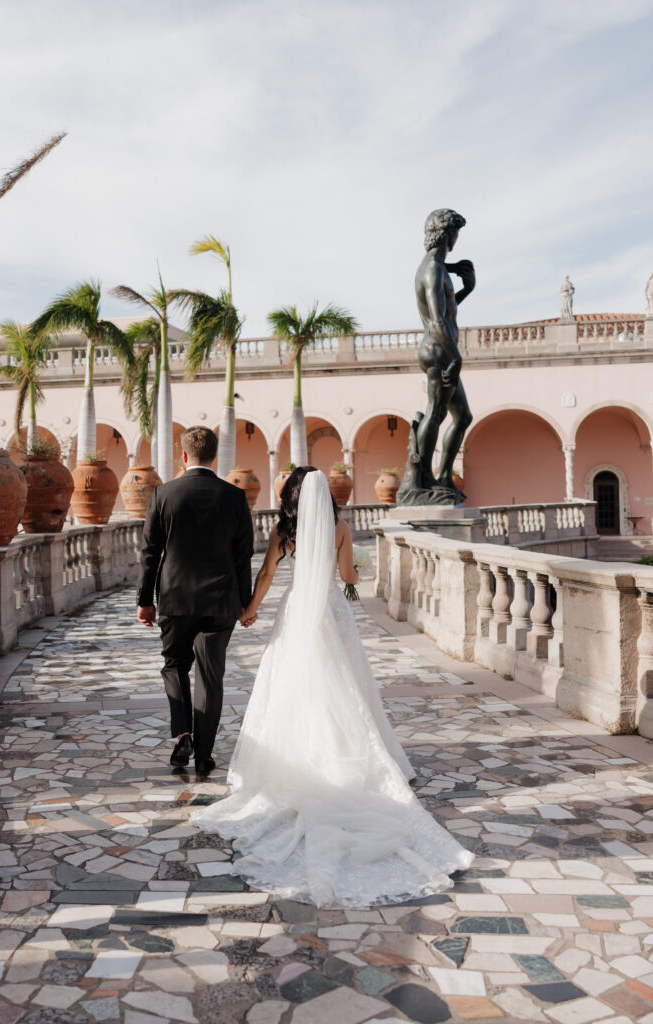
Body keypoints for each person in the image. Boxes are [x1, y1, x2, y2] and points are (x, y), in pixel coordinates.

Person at [192, 467, 473, 906]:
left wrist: (249, 610)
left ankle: (298, 755)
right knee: (342, 684)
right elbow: (348, 579)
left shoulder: (284, 530)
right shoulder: (340, 527)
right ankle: (344, 752)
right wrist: (354, 569)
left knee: (293, 682)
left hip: (295, 610)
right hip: (329, 610)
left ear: (292, 497)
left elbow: (265, 574)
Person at [136, 425, 254, 775]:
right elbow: (243, 555)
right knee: (210, 677)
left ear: (183, 456)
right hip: (221, 603)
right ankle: (204, 755)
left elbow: (149, 553)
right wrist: (246, 604)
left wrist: (145, 599)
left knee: (174, 666)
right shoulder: (234, 497)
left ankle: (183, 734)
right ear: (215, 456)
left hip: (175, 599)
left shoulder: (163, 495)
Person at [403, 208, 474, 498]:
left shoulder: (440, 268)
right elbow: (436, 320)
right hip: (438, 352)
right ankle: (420, 480)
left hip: (443, 351)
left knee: (462, 416)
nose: (457, 238)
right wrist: (455, 357)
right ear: (448, 235)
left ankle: (443, 475)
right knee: (435, 413)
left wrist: (467, 289)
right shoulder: (432, 268)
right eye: (456, 233)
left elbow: (447, 311)